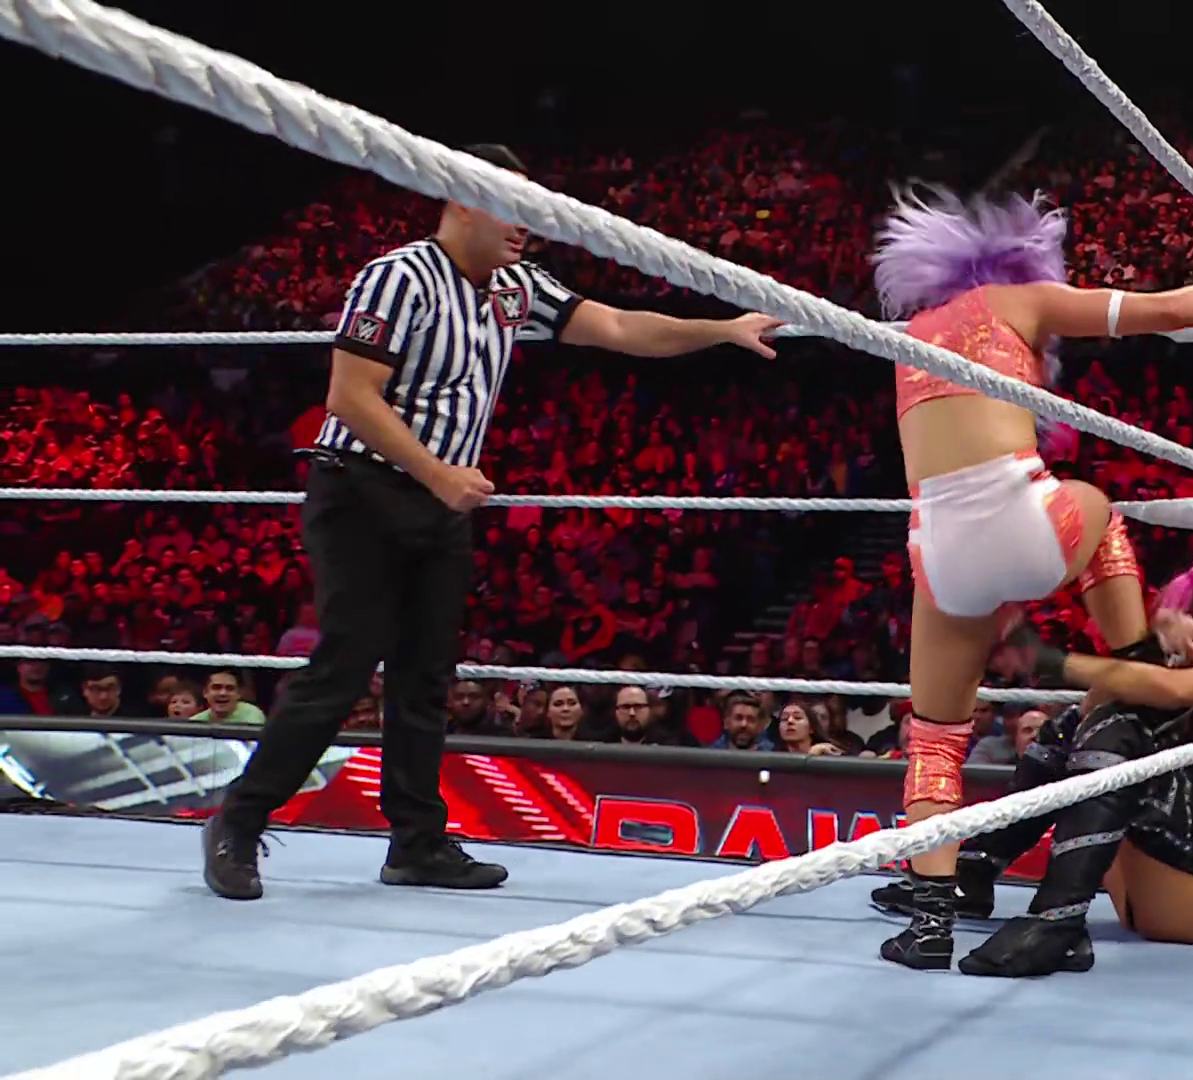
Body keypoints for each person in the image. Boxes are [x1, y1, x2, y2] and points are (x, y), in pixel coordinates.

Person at [201, 143, 786, 902]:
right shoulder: (397, 277)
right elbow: (350, 396)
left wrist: (721, 329)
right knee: (345, 663)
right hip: (362, 491)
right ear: (460, 199)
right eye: (511, 206)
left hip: (443, 499)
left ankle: (416, 842)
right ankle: (239, 820)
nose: (525, 224)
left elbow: (616, 326)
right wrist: (438, 472)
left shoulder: (517, 286)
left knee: (426, 677)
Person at [871, 185, 1193, 970]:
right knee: (1100, 509)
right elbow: (1166, 312)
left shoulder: (912, 334)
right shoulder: (1020, 299)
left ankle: (931, 922)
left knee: (935, 741)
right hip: (1025, 517)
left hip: (936, 548)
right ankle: (1136, 666)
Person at [876, 554, 1193, 976]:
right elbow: (1097, 704)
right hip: (1162, 880)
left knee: (1120, 723)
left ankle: (1057, 921)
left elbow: (1164, 689)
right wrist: (1157, 649)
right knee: (1078, 724)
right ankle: (978, 872)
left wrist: (1045, 658)